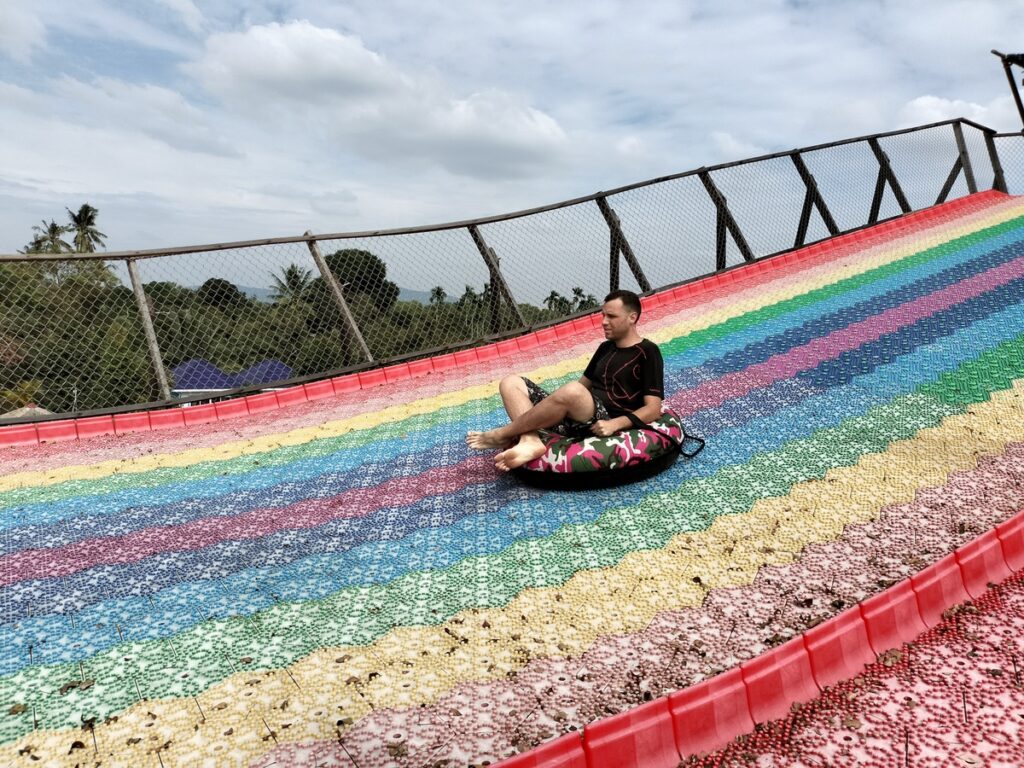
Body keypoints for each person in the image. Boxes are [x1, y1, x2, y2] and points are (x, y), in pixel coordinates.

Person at [466, 289, 664, 471]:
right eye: (603, 315)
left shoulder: (647, 352)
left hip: (605, 419)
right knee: (511, 382)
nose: (604, 321)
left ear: (632, 317)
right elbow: (582, 386)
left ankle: (502, 434)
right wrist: (550, 407)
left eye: (611, 316)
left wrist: (615, 424)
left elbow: (653, 408)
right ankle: (530, 440)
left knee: (572, 391)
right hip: (579, 417)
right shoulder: (605, 348)